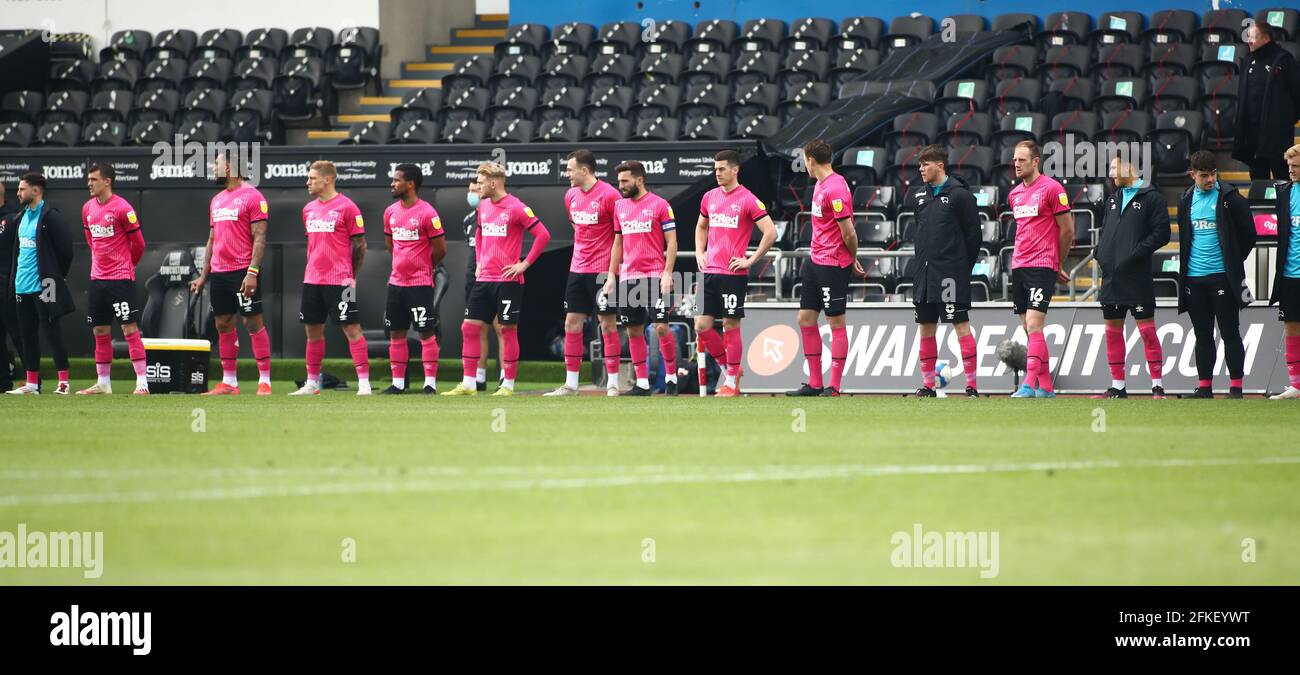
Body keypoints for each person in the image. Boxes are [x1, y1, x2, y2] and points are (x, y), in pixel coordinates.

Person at [443, 162, 551, 396]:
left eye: (481, 183)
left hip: (508, 281)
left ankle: (508, 385)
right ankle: (469, 384)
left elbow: (543, 235)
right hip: (484, 280)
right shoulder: (483, 207)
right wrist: (481, 260)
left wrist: (524, 264)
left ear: (494, 183)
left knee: (507, 329)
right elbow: (480, 232)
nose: (477, 188)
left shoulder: (517, 207)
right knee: (469, 327)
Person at [901, 144, 982, 398]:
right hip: (923, 273)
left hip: (950, 274)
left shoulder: (960, 196)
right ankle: (928, 386)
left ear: (940, 165)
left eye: (926, 164)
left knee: (960, 324)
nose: (921, 169)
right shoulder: (919, 197)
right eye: (920, 164)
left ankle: (972, 386)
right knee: (925, 326)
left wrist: (960, 267)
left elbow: (974, 237)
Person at [694, 150, 777, 397]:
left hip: (732, 273)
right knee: (701, 326)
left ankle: (731, 382)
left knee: (731, 325)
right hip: (708, 272)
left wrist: (750, 259)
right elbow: (701, 226)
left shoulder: (749, 200)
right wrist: (700, 252)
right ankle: (730, 370)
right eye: (715, 169)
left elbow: (771, 232)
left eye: (721, 169)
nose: (717, 173)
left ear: (735, 170)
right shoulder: (709, 197)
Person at [189, 153, 273, 395]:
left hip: (243, 271)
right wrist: (204, 275)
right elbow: (212, 239)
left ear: (231, 167)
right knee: (223, 324)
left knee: (252, 322)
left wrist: (252, 272)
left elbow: (260, 237)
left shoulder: (253, 197)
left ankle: (264, 381)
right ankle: (230, 382)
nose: (213, 168)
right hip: (219, 273)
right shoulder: (216, 200)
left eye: (216, 164)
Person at [785, 139, 864, 398]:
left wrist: (851, 259)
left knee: (835, 322)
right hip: (814, 260)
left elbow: (849, 233)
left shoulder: (836, 188)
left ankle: (834, 386)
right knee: (805, 319)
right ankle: (815, 383)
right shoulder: (819, 184)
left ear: (810, 160)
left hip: (833, 263)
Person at [1177, 150, 1257, 399]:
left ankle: (1236, 387)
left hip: (1222, 277)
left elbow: (1248, 236)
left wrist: (1232, 261)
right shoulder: (1185, 200)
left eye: (1213, 174)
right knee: (1202, 334)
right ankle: (1204, 387)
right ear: (1193, 175)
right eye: (1204, 176)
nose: (1210, 180)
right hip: (1194, 278)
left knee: (1230, 332)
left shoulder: (1231, 198)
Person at [289, 161, 371, 396]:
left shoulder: (348, 207)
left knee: (352, 328)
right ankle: (312, 383)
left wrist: (351, 276)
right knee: (312, 331)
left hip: (341, 280)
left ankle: (364, 383)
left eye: (312, 178)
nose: (308, 182)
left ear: (327, 180)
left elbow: (360, 246)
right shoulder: (308, 209)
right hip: (312, 280)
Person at [1092, 156, 1171, 399]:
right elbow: (1107, 230)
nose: (1111, 173)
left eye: (1114, 167)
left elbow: (1162, 233)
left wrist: (1136, 253)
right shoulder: (1113, 199)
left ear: (1129, 168)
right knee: (1112, 332)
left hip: (1137, 277)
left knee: (1147, 331)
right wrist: (1100, 253)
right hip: (1112, 278)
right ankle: (1117, 386)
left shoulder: (1152, 197)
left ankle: (1157, 386)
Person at [549, 149, 622, 396]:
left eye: (570, 169)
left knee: (607, 323)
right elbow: (576, 227)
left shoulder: (610, 195)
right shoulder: (570, 195)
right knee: (571, 323)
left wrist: (612, 273)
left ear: (584, 170)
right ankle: (571, 384)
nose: (567, 174)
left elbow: (619, 236)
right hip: (577, 268)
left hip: (603, 271)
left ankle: (613, 381)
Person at [602, 160, 678, 396]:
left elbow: (672, 242)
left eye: (625, 181)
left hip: (655, 275)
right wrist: (612, 275)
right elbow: (617, 242)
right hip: (628, 277)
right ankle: (642, 383)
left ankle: (672, 378)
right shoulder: (619, 207)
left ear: (640, 179)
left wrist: (667, 273)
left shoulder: (660, 205)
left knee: (661, 327)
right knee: (633, 330)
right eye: (619, 181)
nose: (621, 185)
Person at [1006, 141, 1074, 399]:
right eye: (1015, 159)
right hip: (1019, 265)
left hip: (1043, 264)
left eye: (1022, 159)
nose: (1016, 164)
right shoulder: (1014, 194)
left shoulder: (1053, 189)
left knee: (1034, 324)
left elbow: (1067, 230)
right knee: (1028, 328)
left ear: (1036, 161)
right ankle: (1046, 387)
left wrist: (1058, 262)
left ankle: (1029, 384)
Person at [76, 163, 150, 395]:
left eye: (94, 179)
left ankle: (142, 382)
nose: (89, 183)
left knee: (129, 328)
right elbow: (90, 240)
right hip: (97, 279)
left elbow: (139, 244)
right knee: (100, 330)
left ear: (107, 181)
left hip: (120, 279)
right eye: (89, 179)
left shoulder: (123, 208)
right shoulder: (87, 208)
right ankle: (103, 383)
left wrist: (127, 265)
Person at [5, 173, 75, 395]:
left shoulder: (51, 217)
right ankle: (32, 384)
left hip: (45, 285)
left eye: (22, 189)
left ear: (36, 190)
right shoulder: (19, 218)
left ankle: (63, 382)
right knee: (27, 336)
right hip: (21, 286)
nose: (18, 193)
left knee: (52, 332)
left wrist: (55, 276)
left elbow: (66, 251)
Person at [380, 163, 446, 394]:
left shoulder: (427, 212)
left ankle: (430, 383)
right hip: (396, 283)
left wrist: (424, 266)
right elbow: (390, 246)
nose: (393, 183)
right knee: (396, 333)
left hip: (420, 285)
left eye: (397, 180)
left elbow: (440, 249)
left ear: (410, 184)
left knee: (426, 332)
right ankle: (397, 384)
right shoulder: (390, 212)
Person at [1232, 21, 1300, 181]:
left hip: (1278, 135)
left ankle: (1286, 206)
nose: (1249, 41)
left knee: (1283, 178)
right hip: (1252, 136)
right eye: (1248, 37)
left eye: (1253, 37)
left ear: (1265, 38)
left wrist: (1288, 119)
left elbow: (1297, 93)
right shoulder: (1247, 61)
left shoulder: (1284, 60)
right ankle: (1259, 206)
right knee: (1257, 180)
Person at [1268, 144, 1300, 399]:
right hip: (1290, 272)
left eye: (1296, 166)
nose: (1291, 171)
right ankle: (1296, 385)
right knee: (1291, 326)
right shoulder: (1284, 193)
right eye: (1289, 166)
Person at [462, 181, 491, 391]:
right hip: (474, 279)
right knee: (475, 327)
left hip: (496, 277)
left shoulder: (495, 214)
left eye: (476, 190)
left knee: (502, 328)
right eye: (470, 190)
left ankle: (504, 378)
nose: (472, 194)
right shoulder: (468, 220)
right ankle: (478, 378)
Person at [0, 180, 20, 391]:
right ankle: (3, 382)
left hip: (8, 286)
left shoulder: (12, 218)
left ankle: (34, 381)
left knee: (17, 334)